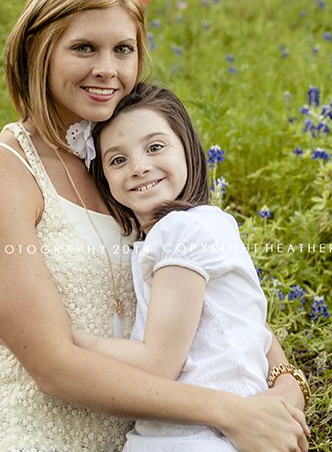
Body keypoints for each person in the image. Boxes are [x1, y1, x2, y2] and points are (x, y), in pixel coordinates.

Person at [0, 0, 309, 452]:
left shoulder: (128, 163)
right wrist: (229, 410)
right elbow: (53, 368)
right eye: (83, 48)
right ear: (38, 50)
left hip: (154, 435)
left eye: (123, 49)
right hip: (29, 430)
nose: (107, 69)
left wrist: (286, 384)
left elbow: (213, 298)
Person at [73, 83, 309, 451]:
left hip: (199, 437)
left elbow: (157, 364)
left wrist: (67, 339)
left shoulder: (181, 230)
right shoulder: (194, 227)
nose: (139, 167)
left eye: (155, 147)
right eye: (117, 159)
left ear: (187, 147)